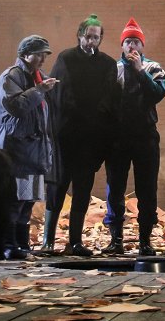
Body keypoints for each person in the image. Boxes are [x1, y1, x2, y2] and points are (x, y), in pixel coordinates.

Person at [47, 14, 120, 256]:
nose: (91, 41)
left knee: (82, 190)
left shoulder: (108, 64)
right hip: (66, 137)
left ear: (100, 39)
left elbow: (110, 100)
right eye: (88, 37)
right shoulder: (65, 58)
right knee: (57, 187)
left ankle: (75, 242)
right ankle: (48, 241)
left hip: (91, 141)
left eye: (95, 38)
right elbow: (57, 94)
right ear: (80, 36)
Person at [102, 18, 165, 256]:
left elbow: (157, 94)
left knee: (147, 189)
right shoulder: (113, 69)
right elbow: (104, 103)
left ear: (142, 46)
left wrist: (140, 71)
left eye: (136, 42)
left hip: (145, 137)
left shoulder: (153, 68)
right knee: (115, 188)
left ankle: (145, 241)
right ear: (122, 45)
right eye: (128, 42)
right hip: (118, 138)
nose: (131, 46)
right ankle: (116, 240)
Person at [0, 34, 58, 260]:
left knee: (28, 201)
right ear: (25, 54)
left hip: (34, 151)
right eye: (39, 54)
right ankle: (9, 245)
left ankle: (21, 244)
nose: (43, 59)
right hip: (16, 151)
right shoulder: (11, 76)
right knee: (15, 200)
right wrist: (40, 90)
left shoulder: (37, 77)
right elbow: (16, 106)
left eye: (45, 55)